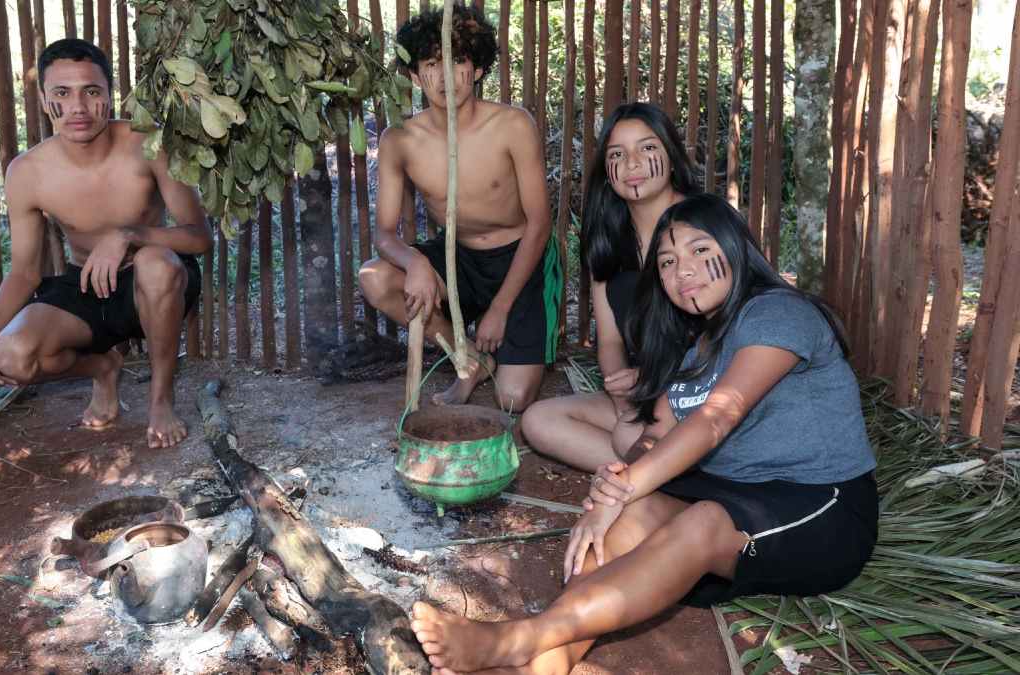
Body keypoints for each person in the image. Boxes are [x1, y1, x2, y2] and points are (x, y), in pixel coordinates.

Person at [410, 194, 879, 675]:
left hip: (822, 508)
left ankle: (520, 638)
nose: (684, 271)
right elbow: (656, 434)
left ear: (737, 247)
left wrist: (623, 488)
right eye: (668, 262)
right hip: (738, 496)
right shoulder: (698, 349)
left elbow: (717, 418)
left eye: (700, 250)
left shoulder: (777, 312)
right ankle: (546, 664)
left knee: (701, 520)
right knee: (624, 516)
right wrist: (615, 485)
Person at [0, 39, 210, 448]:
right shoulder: (27, 173)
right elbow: (25, 272)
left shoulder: (148, 145)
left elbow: (199, 238)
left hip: (154, 285)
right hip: (85, 286)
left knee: (155, 262)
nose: (78, 107)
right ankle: (103, 367)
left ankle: (161, 400)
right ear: (46, 100)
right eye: (62, 93)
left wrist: (130, 235)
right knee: (12, 356)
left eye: (91, 91)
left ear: (109, 93)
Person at [358, 4, 557, 412]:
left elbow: (540, 224)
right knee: (376, 279)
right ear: (414, 75)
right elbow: (383, 234)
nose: (445, 76)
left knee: (512, 400)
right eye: (431, 64)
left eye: (458, 61)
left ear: (478, 69)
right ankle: (467, 358)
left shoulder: (513, 125)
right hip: (456, 258)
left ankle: (502, 350)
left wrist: (500, 309)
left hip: (519, 256)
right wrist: (414, 261)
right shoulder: (400, 141)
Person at [520, 103, 698, 471]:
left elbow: (730, 338)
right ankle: (661, 480)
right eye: (618, 154)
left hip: (701, 395)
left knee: (627, 438)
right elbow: (611, 343)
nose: (632, 164)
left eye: (647, 148)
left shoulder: (704, 226)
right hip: (643, 393)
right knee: (538, 421)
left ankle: (656, 476)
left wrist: (655, 383)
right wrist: (623, 400)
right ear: (607, 170)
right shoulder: (608, 236)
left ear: (671, 154)